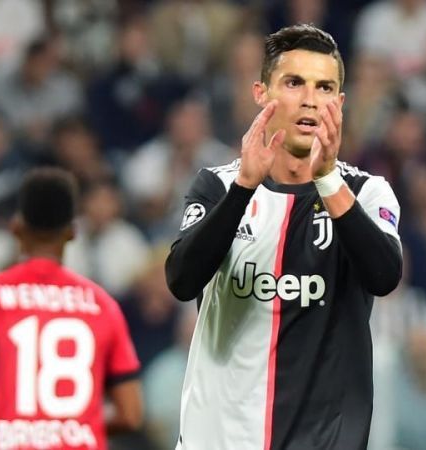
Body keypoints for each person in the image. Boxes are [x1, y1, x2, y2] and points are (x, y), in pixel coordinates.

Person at [165, 24, 403, 450]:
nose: (311, 99)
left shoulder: (367, 192)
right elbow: (181, 281)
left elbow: (384, 276)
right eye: (294, 83)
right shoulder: (217, 187)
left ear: (340, 103)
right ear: (262, 93)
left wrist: (328, 180)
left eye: (325, 87)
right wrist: (243, 188)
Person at [0, 168, 143, 450]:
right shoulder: (103, 305)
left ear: (16, 227)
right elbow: (130, 414)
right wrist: (70, 427)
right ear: (72, 233)